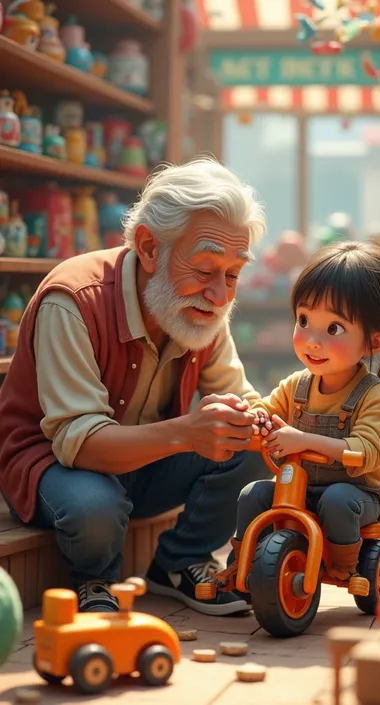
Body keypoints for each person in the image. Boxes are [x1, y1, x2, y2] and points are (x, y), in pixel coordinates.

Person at [0, 157, 272, 616]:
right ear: (148, 247)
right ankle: (94, 581)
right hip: (55, 467)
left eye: (233, 274)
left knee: (248, 445)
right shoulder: (72, 301)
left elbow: (240, 398)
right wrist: (187, 433)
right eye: (205, 270)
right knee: (95, 506)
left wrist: (267, 423)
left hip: (148, 463)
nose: (221, 295)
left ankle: (178, 562)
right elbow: (78, 444)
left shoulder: (205, 307)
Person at [234, 241, 380, 582]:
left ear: (374, 341)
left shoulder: (373, 396)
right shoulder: (296, 386)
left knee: (338, 499)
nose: (312, 340)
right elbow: (265, 409)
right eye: (303, 320)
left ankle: (344, 566)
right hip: (300, 487)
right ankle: (241, 561)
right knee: (253, 494)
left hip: (356, 495)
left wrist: (300, 440)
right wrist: (254, 417)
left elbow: (366, 452)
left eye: (333, 329)